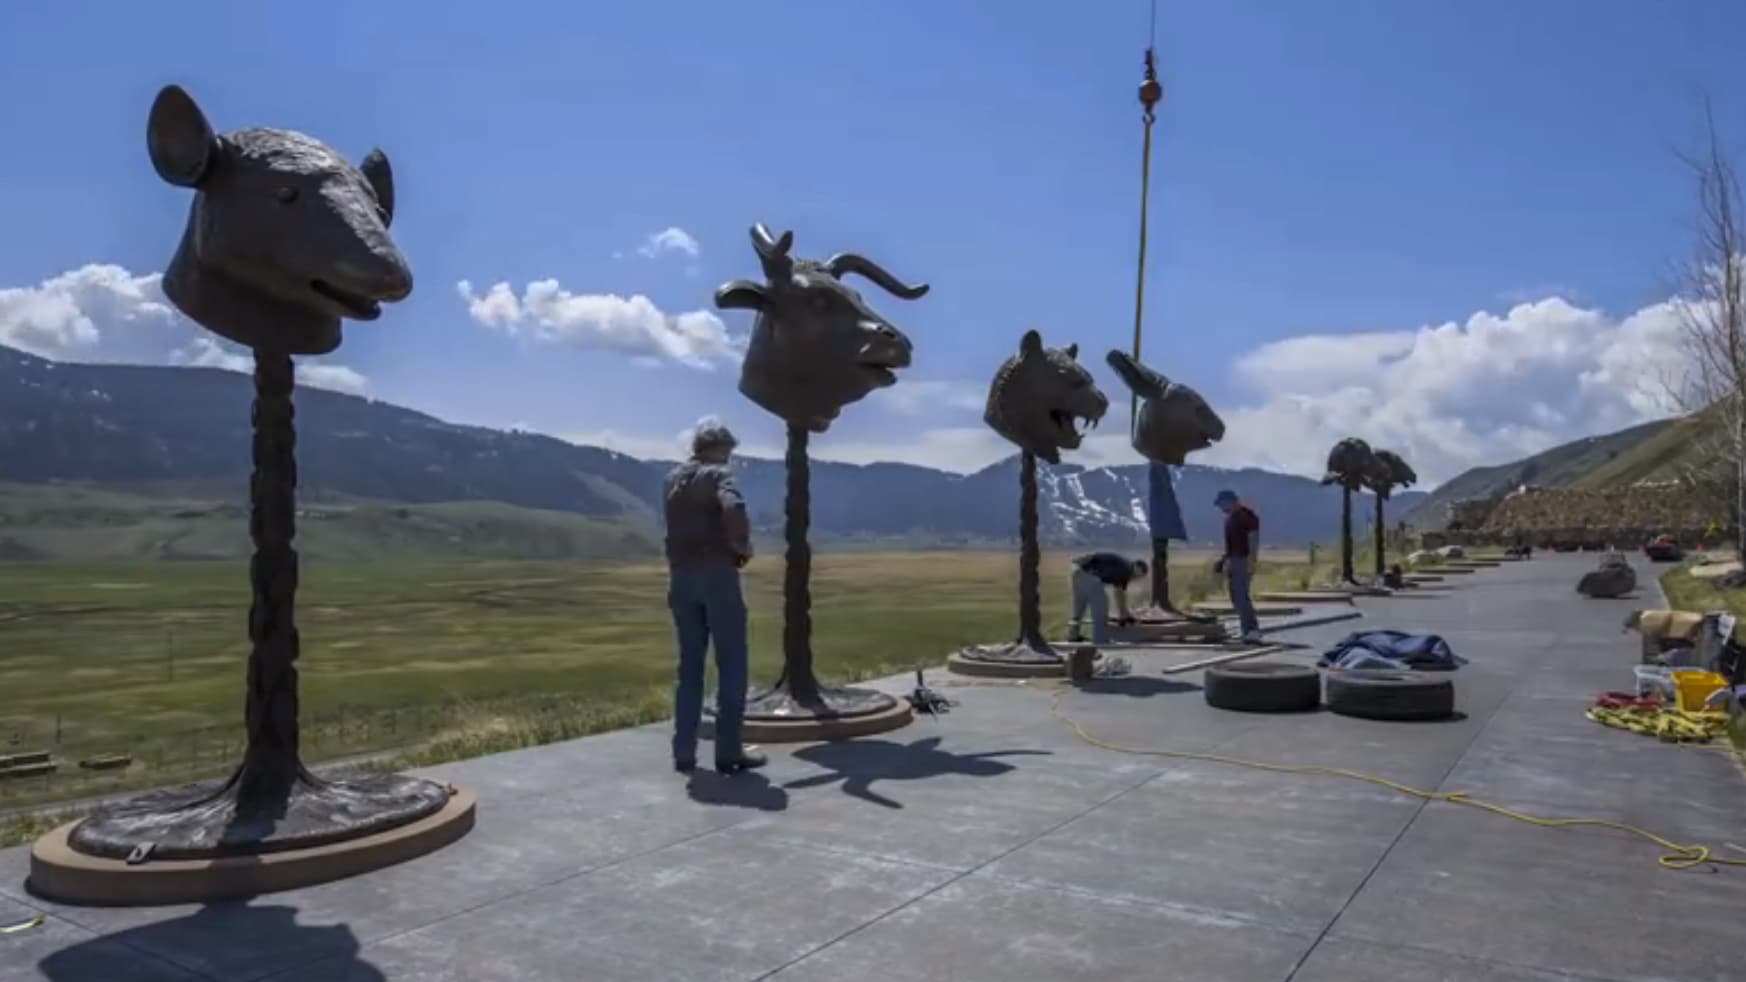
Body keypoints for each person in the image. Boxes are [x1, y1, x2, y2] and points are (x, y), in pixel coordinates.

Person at [663, 417, 765, 775]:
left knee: (689, 668)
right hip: (717, 576)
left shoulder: (672, 480)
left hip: (680, 578)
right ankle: (729, 751)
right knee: (732, 664)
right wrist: (741, 546)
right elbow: (733, 508)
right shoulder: (719, 475)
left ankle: (684, 751)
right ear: (720, 449)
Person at [1212, 489, 1263, 644]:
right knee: (1235, 597)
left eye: (1221, 504)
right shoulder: (1230, 518)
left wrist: (1252, 560)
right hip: (1234, 559)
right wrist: (1223, 560)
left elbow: (1253, 538)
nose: (1221, 508)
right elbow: (1232, 544)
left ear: (1229, 501)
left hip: (1243, 559)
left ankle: (1252, 630)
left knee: (1241, 596)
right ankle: (1246, 630)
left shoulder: (1245, 515)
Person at [1066, 552, 1149, 644]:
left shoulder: (1124, 566)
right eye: (1139, 576)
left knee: (1079, 608)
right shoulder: (1127, 569)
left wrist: (1124, 613)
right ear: (1138, 569)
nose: (1136, 579)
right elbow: (1118, 593)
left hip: (1077, 570)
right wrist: (1124, 615)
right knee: (1101, 608)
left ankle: (1072, 636)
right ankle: (1100, 640)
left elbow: (1120, 593)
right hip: (1090, 574)